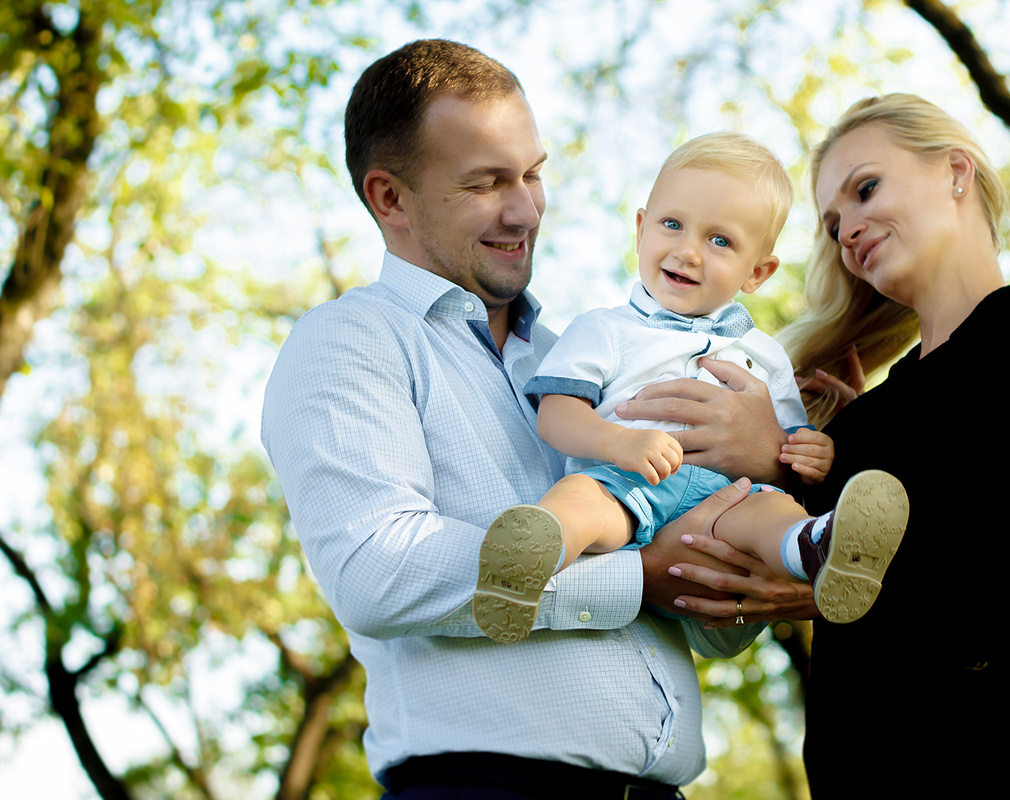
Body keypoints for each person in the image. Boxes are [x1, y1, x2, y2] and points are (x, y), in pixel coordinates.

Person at [260, 39, 814, 800]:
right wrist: (633, 578)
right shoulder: (351, 341)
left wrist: (752, 531)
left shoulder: (588, 361)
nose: (525, 209)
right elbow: (377, 572)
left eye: (532, 173)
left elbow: (714, 633)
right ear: (390, 198)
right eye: (486, 183)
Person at [774, 93, 1010, 797]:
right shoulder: (863, 420)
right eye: (832, 225)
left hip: (968, 766)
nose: (847, 230)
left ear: (956, 172)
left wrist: (865, 583)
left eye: (866, 189)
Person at [473, 132, 910, 644]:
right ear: (641, 230)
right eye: (672, 224)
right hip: (625, 485)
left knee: (776, 513)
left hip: (731, 501)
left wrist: (813, 449)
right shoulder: (606, 329)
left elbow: (786, 443)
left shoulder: (764, 354)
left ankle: (820, 549)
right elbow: (557, 415)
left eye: (719, 240)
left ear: (758, 272)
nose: (688, 251)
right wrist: (620, 443)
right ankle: (522, 571)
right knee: (579, 501)